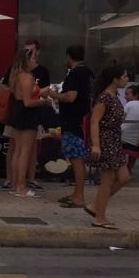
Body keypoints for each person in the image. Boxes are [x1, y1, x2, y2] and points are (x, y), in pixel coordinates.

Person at [41, 45, 94, 209]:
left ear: (69, 56)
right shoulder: (86, 72)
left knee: (76, 158)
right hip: (78, 120)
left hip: (73, 121)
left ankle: (79, 197)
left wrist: (53, 95)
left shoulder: (76, 74)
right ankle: (76, 193)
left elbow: (71, 97)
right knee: (76, 158)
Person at [0, 40, 51, 191]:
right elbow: (28, 102)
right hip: (27, 114)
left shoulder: (16, 75)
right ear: (27, 60)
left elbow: (20, 95)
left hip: (17, 112)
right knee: (25, 152)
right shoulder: (27, 77)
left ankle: (15, 184)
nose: (35, 61)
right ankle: (21, 186)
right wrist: (43, 102)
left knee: (17, 150)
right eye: (33, 58)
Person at [86, 65, 130, 229]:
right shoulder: (104, 98)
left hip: (115, 140)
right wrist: (96, 145)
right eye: (124, 76)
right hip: (106, 141)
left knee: (124, 177)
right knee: (107, 180)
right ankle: (100, 217)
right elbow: (94, 121)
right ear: (115, 79)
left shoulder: (115, 96)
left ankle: (96, 206)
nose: (127, 80)